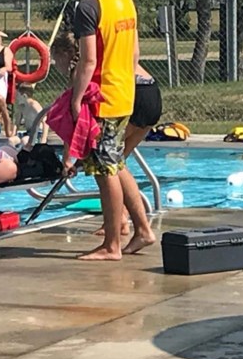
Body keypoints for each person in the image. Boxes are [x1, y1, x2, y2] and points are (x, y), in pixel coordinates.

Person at [62, 0, 156, 260]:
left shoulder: (88, 6)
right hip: (124, 93)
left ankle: (111, 245)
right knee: (116, 164)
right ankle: (143, 231)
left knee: (106, 171)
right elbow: (135, 52)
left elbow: (88, 61)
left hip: (102, 97)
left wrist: (76, 100)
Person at [51, 31, 162, 239]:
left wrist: (67, 159)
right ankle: (123, 221)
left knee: (108, 164)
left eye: (56, 59)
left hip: (134, 95)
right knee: (116, 163)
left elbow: (76, 120)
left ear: (65, 53)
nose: (57, 65)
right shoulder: (101, 56)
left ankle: (133, 228)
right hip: (151, 93)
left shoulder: (80, 71)